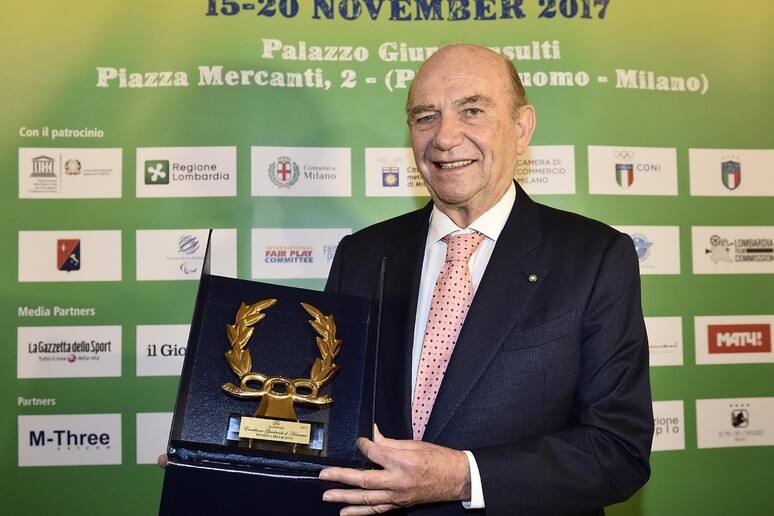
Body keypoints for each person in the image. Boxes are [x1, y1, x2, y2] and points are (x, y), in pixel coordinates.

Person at [318, 43, 653, 515]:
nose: (445, 137)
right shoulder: (362, 255)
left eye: (472, 111)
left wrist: (463, 477)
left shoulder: (595, 258)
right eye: (426, 117)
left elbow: (618, 451)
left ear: (521, 128)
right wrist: (232, 445)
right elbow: (326, 413)